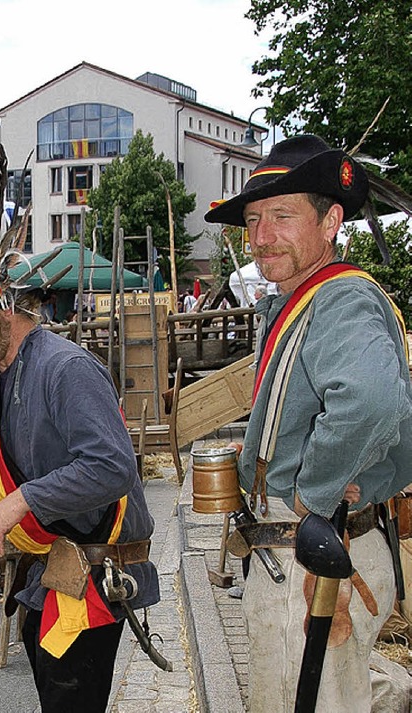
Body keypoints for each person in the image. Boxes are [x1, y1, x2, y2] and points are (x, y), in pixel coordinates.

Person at [0, 249, 160, 712]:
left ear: (2, 300)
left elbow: (113, 467)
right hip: (55, 574)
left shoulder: (66, 368)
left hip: (95, 576)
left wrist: (23, 501)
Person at [205, 135, 412, 712]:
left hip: (315, 558)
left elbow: (371, 402)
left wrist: (314, 491)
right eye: (253, 220)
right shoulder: (303, 300)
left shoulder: (341, 299)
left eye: (282, 216)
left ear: (331, 221)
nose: (261, 236)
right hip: (307, 554)